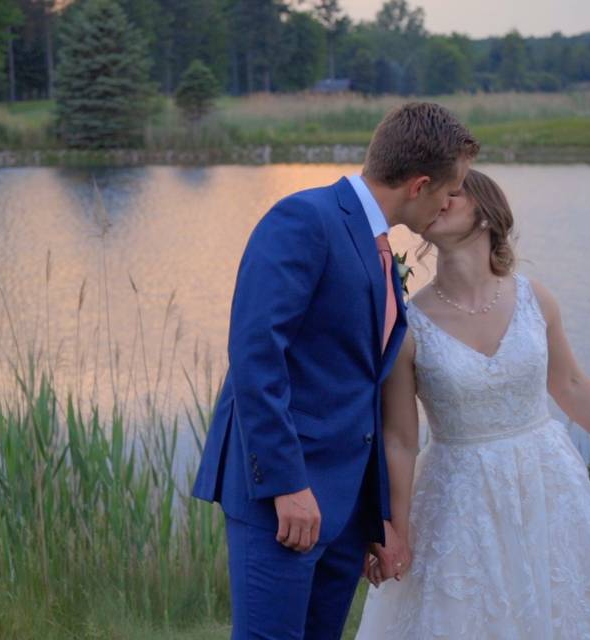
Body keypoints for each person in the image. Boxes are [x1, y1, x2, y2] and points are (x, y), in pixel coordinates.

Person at [191, 102, 479, 639]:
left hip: (344, 509)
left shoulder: (380, 250)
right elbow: (256, 355)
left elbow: (363, 388)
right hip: (283, 496)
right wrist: (286, 484)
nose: (449, 203)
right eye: (450, 189)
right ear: (420, 184)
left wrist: (376, 517)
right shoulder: (305, 219)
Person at [355, 169, 590, 639]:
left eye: (454, 193)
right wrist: (395, 529)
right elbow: (401, 440)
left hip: (548, 486)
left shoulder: (534, 299)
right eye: (437, 193)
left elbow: (570, 384)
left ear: (487, 213)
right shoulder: (409, 326)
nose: (439, 200)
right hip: (457, 499)